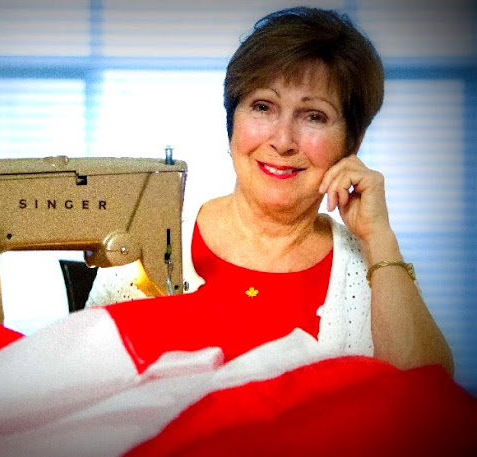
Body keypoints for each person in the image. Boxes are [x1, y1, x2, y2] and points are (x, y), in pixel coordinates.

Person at [86, 6, 454, 375]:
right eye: (263, 107)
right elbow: (85, 386)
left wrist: (379, 238)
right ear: (232, 123)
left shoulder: (368, 265)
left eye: (314, 116)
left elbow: (426, 392)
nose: (282, 140)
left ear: (352, 143)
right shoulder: (152, 241)